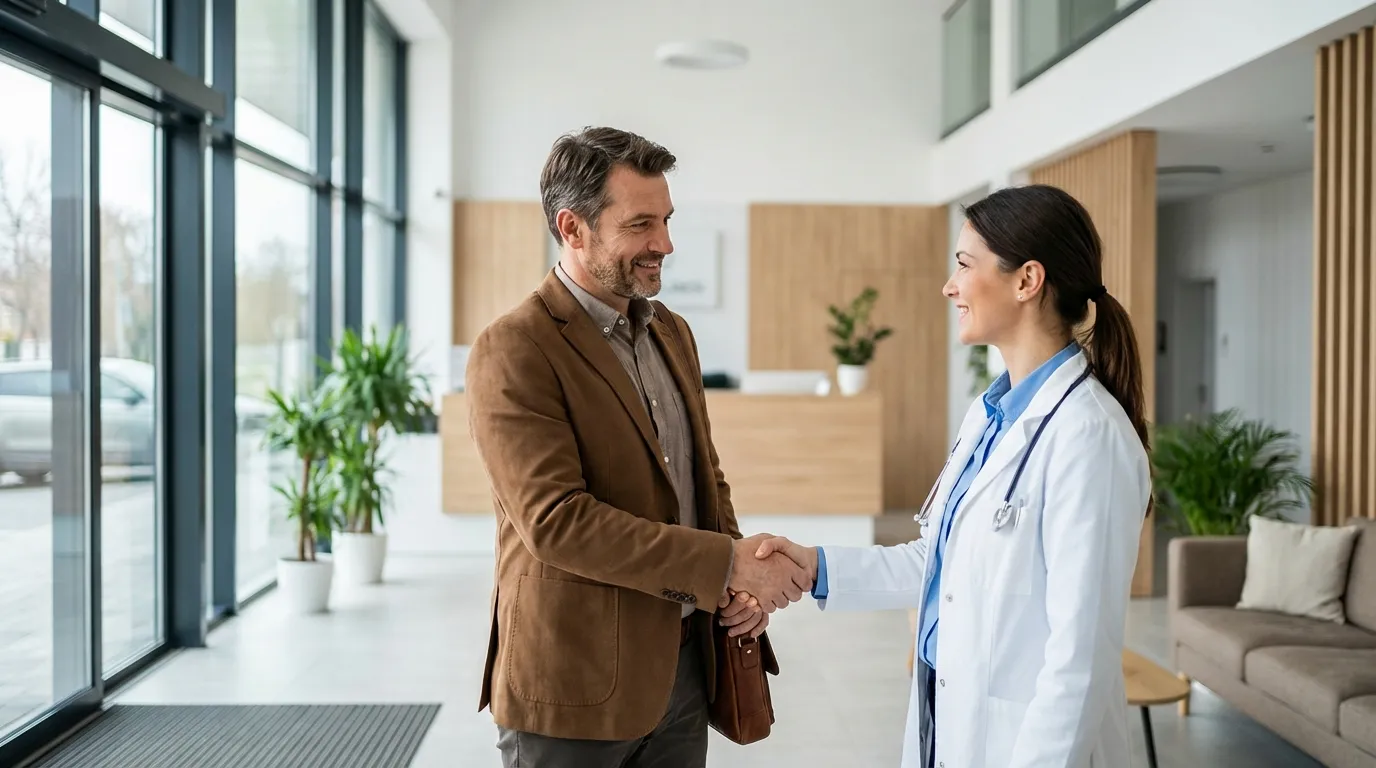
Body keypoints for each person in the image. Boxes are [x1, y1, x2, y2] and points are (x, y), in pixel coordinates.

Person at [749, 184, 1153, 768]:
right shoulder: (989, 415)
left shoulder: (1088, 436)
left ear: (1026, 280)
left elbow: (1080, 660)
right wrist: (814, 567)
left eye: (964, 264)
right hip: (951, 721)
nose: (950, 285)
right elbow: (940, 564)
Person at [465, 126, 807, 768]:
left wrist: (739, 587)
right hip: (574, 683)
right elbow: (557, 522)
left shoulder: (670, 333)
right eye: (641, 224)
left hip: (682, 673)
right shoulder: (515, 348)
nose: (665, 245)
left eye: (668, 221)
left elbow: (705, 475)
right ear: (573, 228)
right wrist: (725, 565)